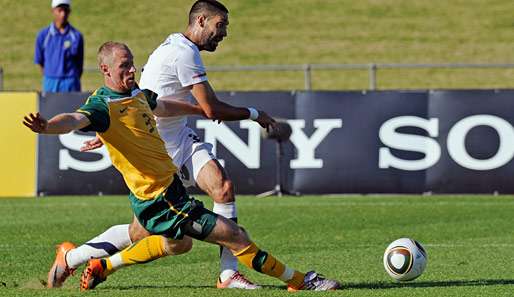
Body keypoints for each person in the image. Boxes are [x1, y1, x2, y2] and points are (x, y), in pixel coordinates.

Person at [24, 41, 340, 292]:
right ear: (105, 69)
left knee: (178, 245)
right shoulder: (101, 105)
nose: (132, 70)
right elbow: (75, 119)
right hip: (161, 200)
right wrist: (47, 125)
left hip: (165, 190)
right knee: (235, 235)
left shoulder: (136, 94)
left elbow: (160, 105)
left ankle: (83, 261)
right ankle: (300, 281)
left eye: (132, 63)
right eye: (124, 66)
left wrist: (199, 110)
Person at [51, 0, 277, 290]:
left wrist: (194, 112)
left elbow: (156, 101)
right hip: (155, 149)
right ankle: (77, 258)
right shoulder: (183, 53)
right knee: (148, 234)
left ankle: (227, 274)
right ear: (201, 21)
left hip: (177, 136)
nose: (224, 33)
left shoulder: (180, 48)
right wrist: (255, 114)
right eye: (220, 25)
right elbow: (211, 109)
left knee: (222, 187)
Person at [34, 0, 84, 92]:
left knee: (73, 106)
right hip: (50, 82)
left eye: (66, 10)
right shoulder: (43, 35)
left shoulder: (77, 36)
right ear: (53, 11)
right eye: (60, 10)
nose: (63, 14)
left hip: (71, 82)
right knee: (50, 106)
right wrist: (50, 75)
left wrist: (72, 78)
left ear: (69, 12)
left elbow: (79, 63)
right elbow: (40, 61)